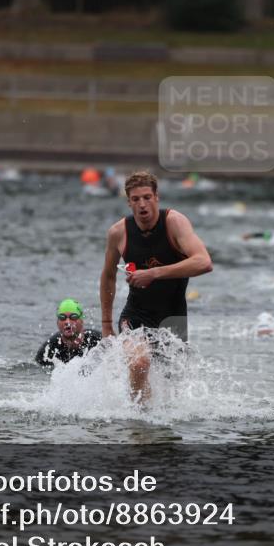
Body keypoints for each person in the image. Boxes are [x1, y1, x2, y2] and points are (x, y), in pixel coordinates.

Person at [99, 171, 213, 404]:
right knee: (140, 362)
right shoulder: (118, 233)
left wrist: (153, 273)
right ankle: (138, 424)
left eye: (147, 197)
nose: (142, 204)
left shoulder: (174, 222)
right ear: (128, 202)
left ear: (157, 198)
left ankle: (156, 434)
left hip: (174, 318)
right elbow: (108, 276)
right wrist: (106, 324)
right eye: (136, 199)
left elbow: (204, 262)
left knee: (172, 395)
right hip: (136, 315)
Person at [35, 299, 102, 367]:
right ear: (57, 322)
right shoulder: (48, 350)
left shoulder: (98, 341)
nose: (67, 322)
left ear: (81, 321)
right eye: (62, 317)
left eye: (73, 317)